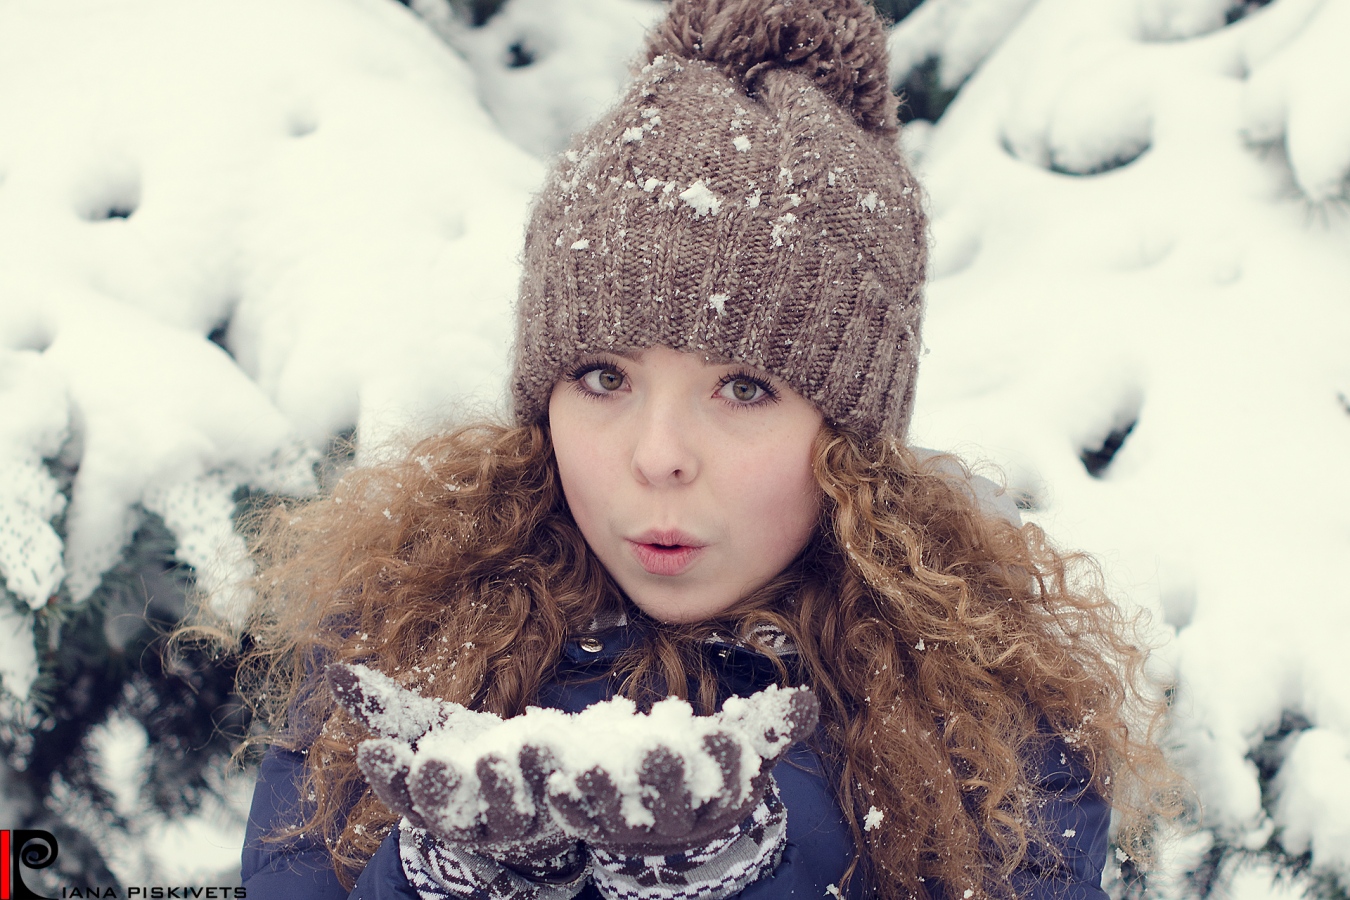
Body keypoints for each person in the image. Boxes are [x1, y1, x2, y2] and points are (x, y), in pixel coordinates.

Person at [231, 0, 1174, 897]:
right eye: (604, 377)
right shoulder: (402, 641)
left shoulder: (985, 731)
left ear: (849, 437)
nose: (659, 455)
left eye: (745, 388)